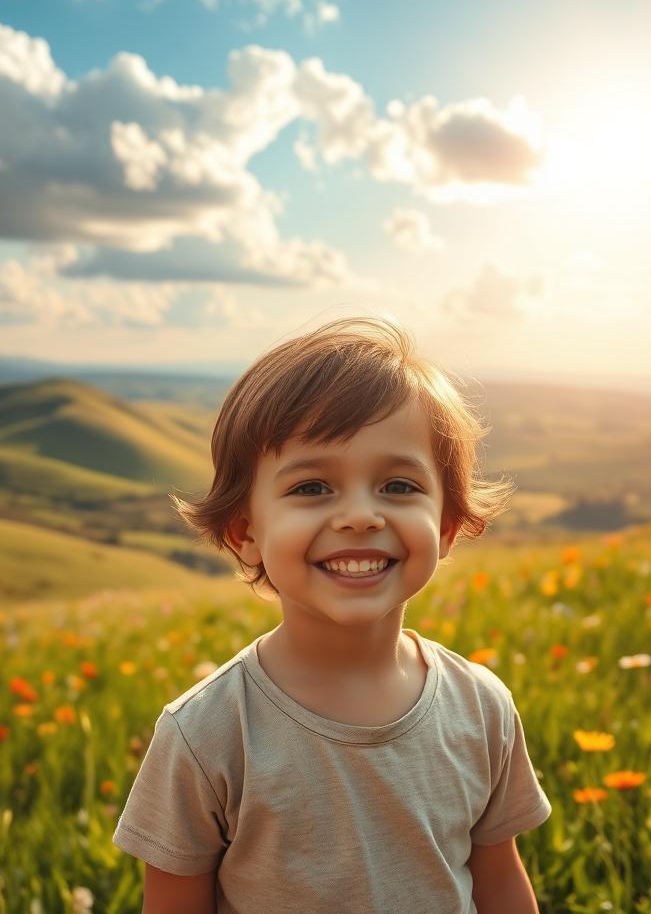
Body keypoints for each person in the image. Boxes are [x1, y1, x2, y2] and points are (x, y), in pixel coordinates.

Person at [112, 315, 552, 914]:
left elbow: (498, 876)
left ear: (446, 527)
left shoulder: (481, 707)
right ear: (245, 532)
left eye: (398, 486)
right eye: (312, 487)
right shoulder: (208, 733)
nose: (359, 516)